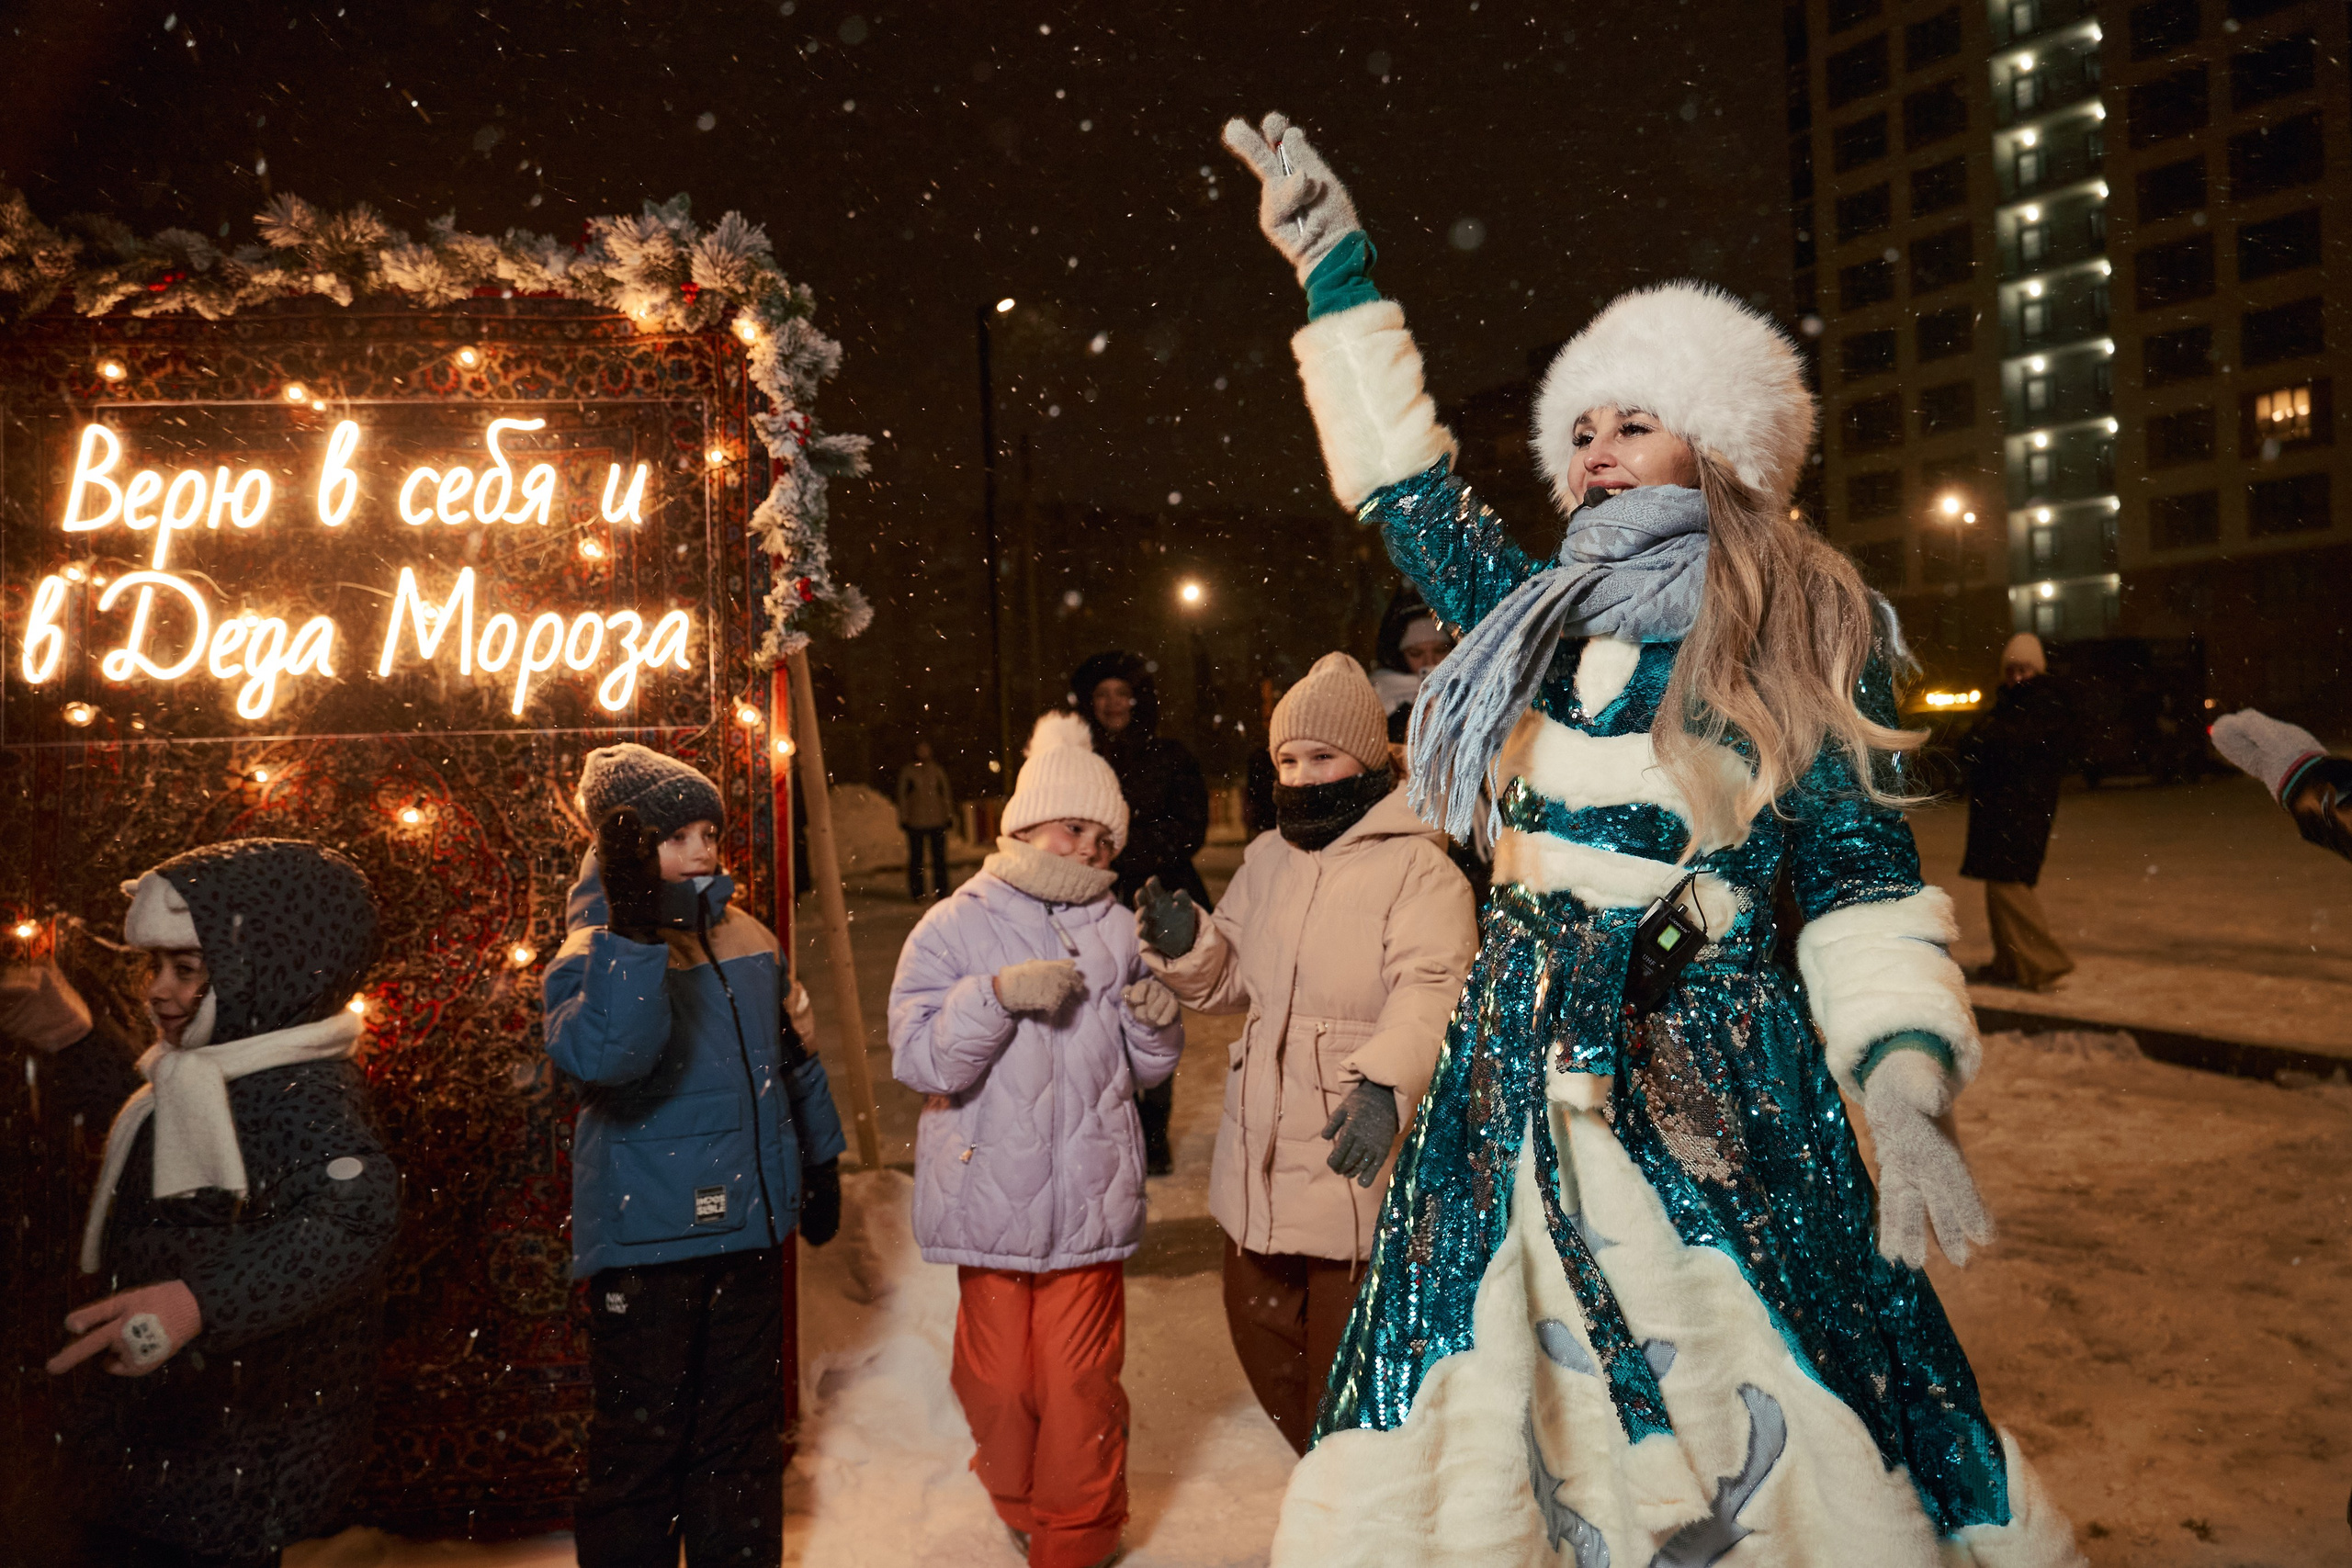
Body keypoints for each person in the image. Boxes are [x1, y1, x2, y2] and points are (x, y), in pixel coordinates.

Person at [1221, 113, 2082, 1564]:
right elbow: (1407, 492)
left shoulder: (1811, 624)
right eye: (1583, 430)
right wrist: (1337, 280)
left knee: (1757, 1360)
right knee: (1507, 1374)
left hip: (1717, 1066)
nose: (1599, 451)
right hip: (1513, 1064)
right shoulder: (1537, 612)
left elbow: (1861, 882)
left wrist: (1905, 1073)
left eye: (1635, 420)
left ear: (1724, 443)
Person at [1134, 651, 1475, 1455]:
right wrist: (1192, 949)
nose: (1304, 773)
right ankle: (1335, 1478)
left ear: (1367, 758)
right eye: (1289, 758)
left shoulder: (1418, 866)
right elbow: (1230, 983)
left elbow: (1434, 985)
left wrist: (1387, 1085)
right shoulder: (1267, 860)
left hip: (1353, 1148)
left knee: (1348, 1377)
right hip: (1258, 1150)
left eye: (1323, 755)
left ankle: (1354, 1505)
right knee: (1261, 1335)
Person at [32, 839, 396, 1568]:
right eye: (153, 966)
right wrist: (75, 1042)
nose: (156, 991)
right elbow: (163, 1145)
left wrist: (198, 1301)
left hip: (239, 1429)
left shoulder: (303, 1094)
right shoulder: (210, 1074)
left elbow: (356, 1218)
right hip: (176, 1417)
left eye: (187, 970)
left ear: (263, 970)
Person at [888, 711, 1185, 1568]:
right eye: (1073, 827)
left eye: (1104, 836)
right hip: (987, 1195)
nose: (1090, 848)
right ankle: (1021, 1499)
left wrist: (1159, 1024)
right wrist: (997, 994)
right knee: (999, 1383)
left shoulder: (1119, 929)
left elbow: (1146, 1065)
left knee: (1078, 1381)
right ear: (1022, 825)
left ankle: (1078, 1535)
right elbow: (919, 1055)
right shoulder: (953, 925)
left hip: (1089, 1195)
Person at [544, 743, 847, 1568]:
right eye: (678, 835)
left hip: (745, 1236)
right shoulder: (593, 949)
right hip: (647, 1249)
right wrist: (635, 936)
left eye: (709, 829)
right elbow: (610, 1056)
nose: (704, 848)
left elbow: (795, 1057)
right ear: (629, 849)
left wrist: (820, 1160)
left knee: (740, 1442)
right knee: (641, 1447)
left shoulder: (747, 934)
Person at [1071, 649, 1210, 1175]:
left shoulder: (1169, 756)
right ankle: (1116, 1125)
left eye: (1121, 693)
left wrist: (1131, 853)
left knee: (1152, 1013)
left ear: (1137, 700)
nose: (1112, 704)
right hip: (1093, 901)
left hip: (1154, 899)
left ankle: (1154, 1130)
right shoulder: (1078, 759)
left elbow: (1188, 827)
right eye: (1102, 695)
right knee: (1100, 1017)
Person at [1957, 633, 2078, 992]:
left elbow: (2010, 743)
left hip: (2020, 812)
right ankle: (2010, 964)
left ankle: (2043, 962)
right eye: (2011, 670)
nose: (2016, 677)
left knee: (2010, 887)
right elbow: (1980, 745)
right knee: (1999, 888)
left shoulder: (2043, 704)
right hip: (2002, 812)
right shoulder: (2011, 705)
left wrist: (1984, 738)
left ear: (2037, 669)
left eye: (2024, 669)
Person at [2211, 708, 2352, 862]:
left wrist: (2246, 718)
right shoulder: (2280, 747)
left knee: (2335, 826)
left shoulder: (2273, 752)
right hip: (2310, 777)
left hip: (2301, 785)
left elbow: (2224, 733)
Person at [1370, 587, 1454, 741]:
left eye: (1440, 650)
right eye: (1416, 653)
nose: (1430, 662)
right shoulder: (1379, 704)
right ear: (1399, 658)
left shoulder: (1479, 692)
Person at [897, 739, 956, 900]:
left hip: (934, 821)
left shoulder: (935, 771)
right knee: (920, 860)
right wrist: (904, 817)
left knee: (936, 859)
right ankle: (922, 892)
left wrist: (948, 815)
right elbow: (903, 797)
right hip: (918, 822)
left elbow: (945, 795)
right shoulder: (910, 773)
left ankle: (938, 891)